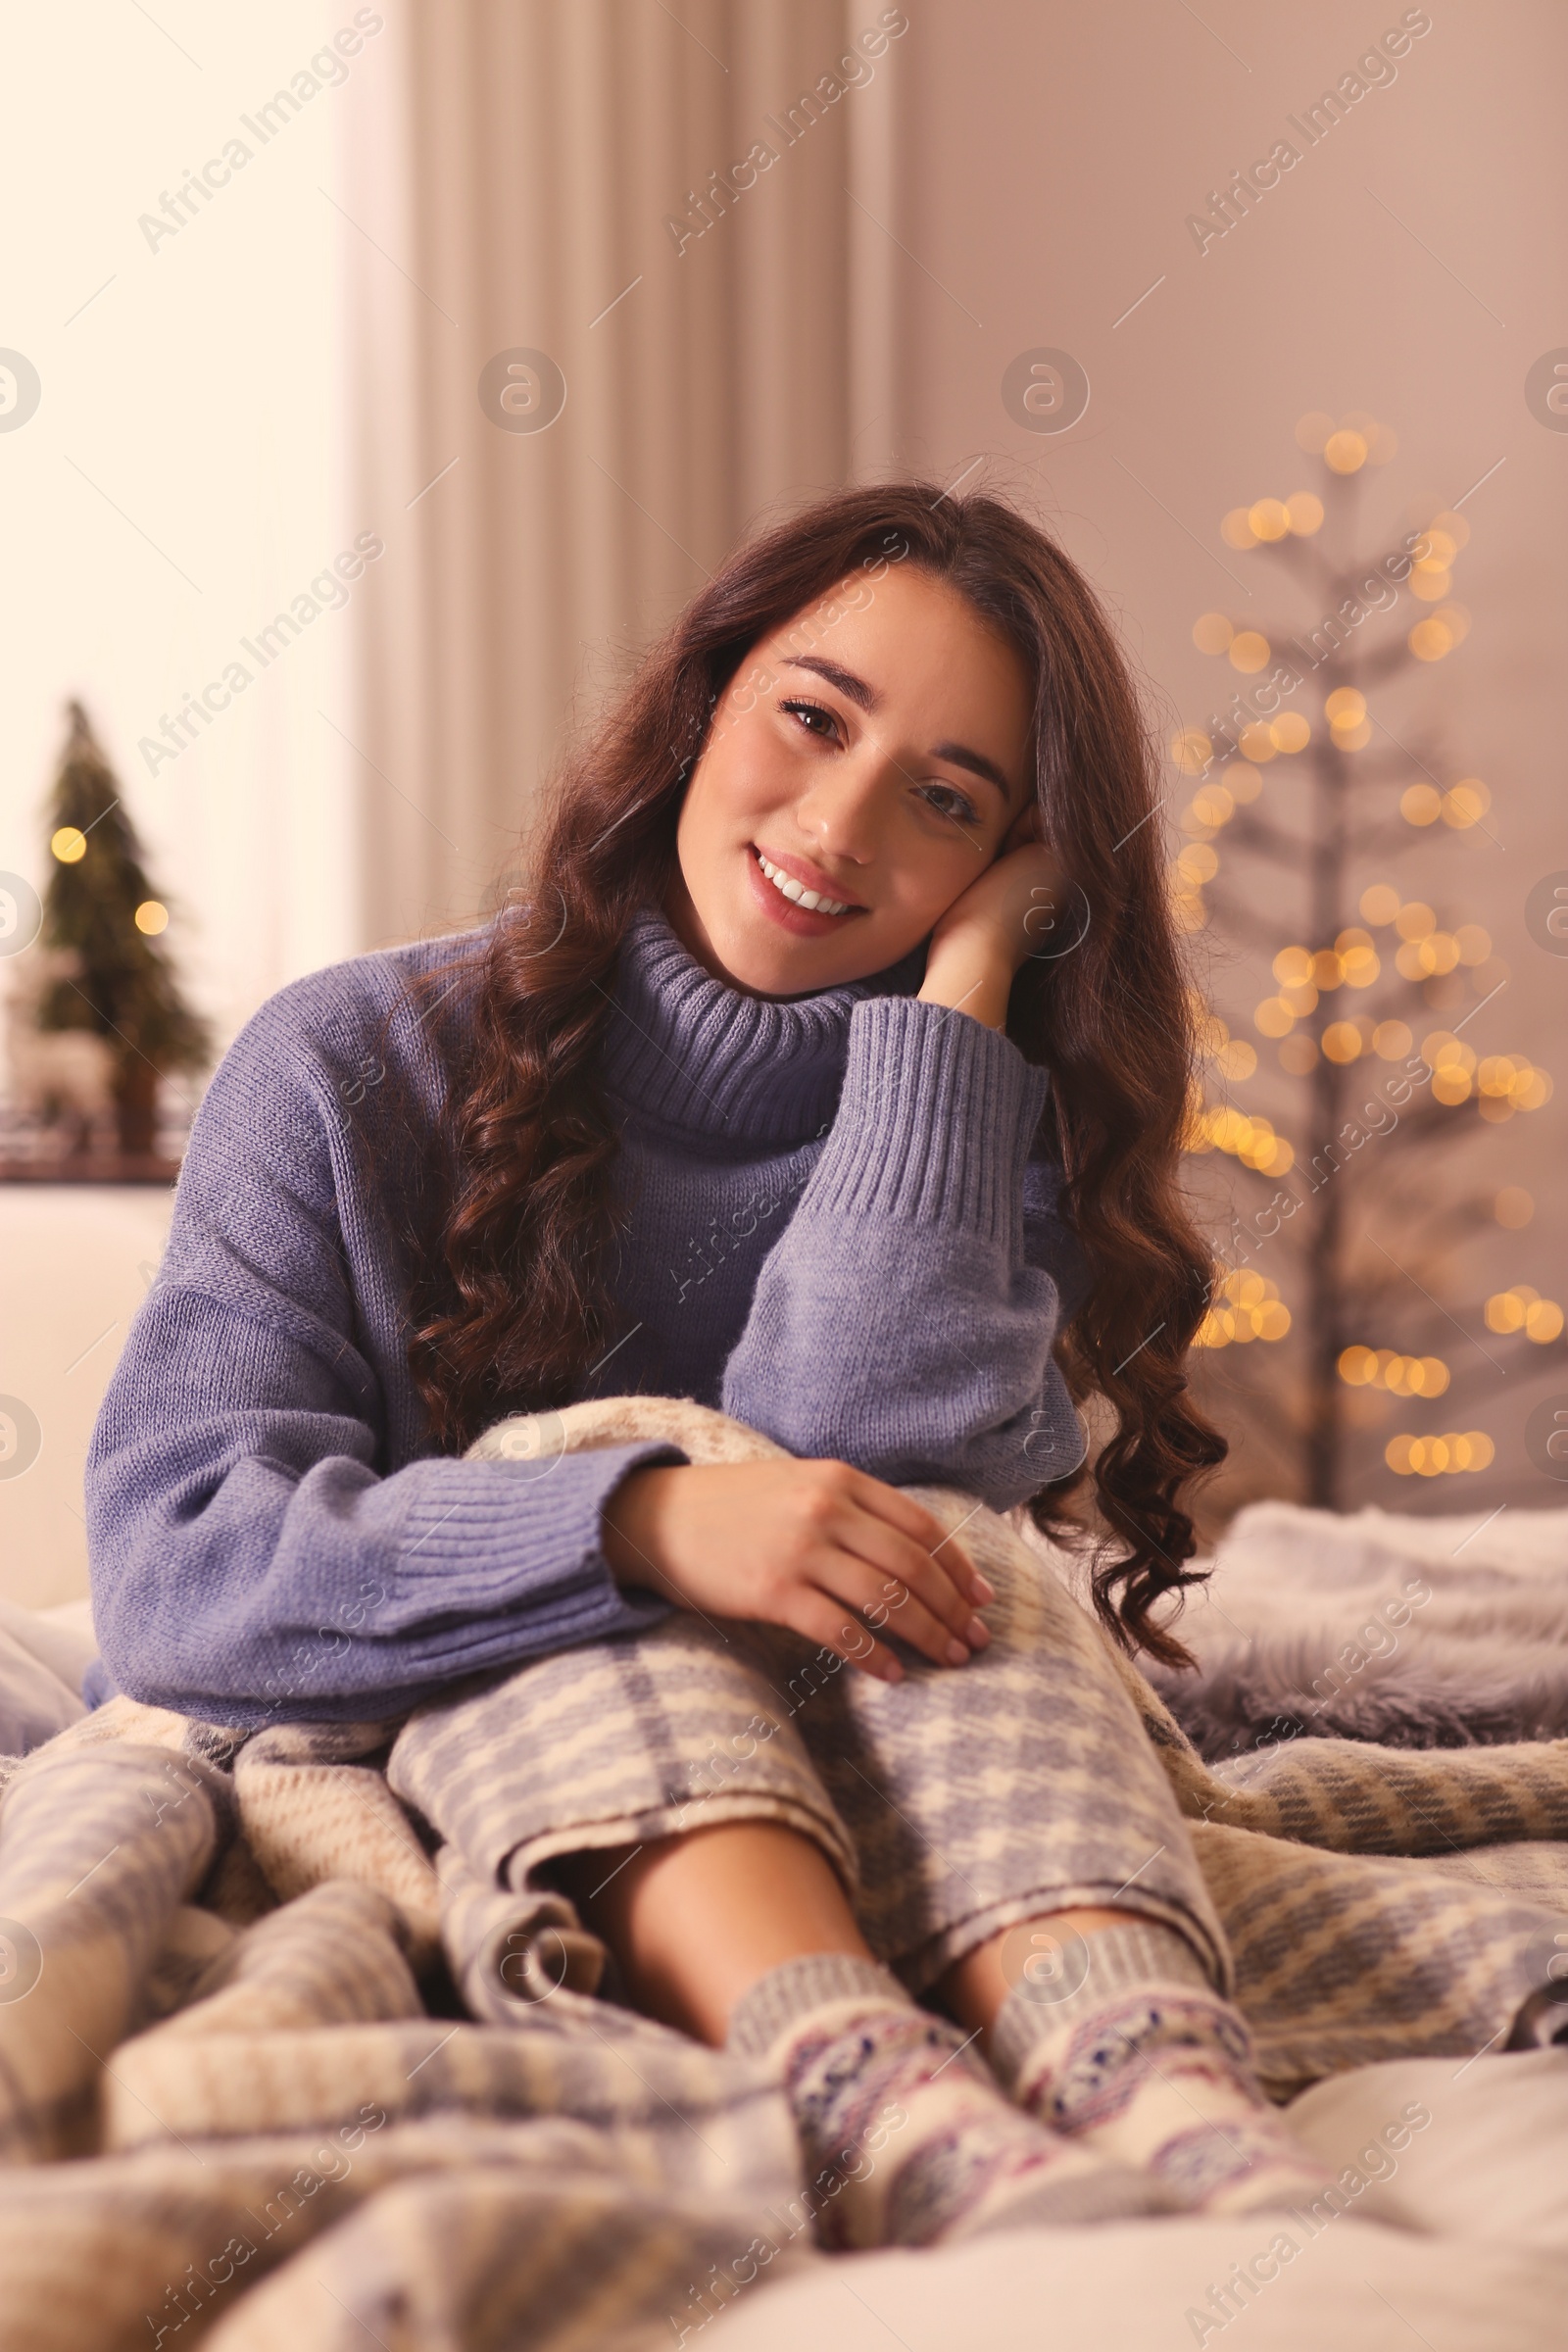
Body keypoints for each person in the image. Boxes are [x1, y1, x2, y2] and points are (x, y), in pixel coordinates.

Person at [86, 482, 1330, 2251]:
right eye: (811, 719)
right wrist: (647, 1528)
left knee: (927, 1538)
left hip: (908, 1765)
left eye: (950, 802)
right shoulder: (347, 1065)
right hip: (531, 1766)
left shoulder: (967, 1118)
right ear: (701, 705)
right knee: (574, 1492)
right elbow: (172, 1564)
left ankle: (1159, 2082)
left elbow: (871, 1461)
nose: (836, 826)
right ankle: (863, 2092)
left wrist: (958, 1000)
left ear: (1013, 864)